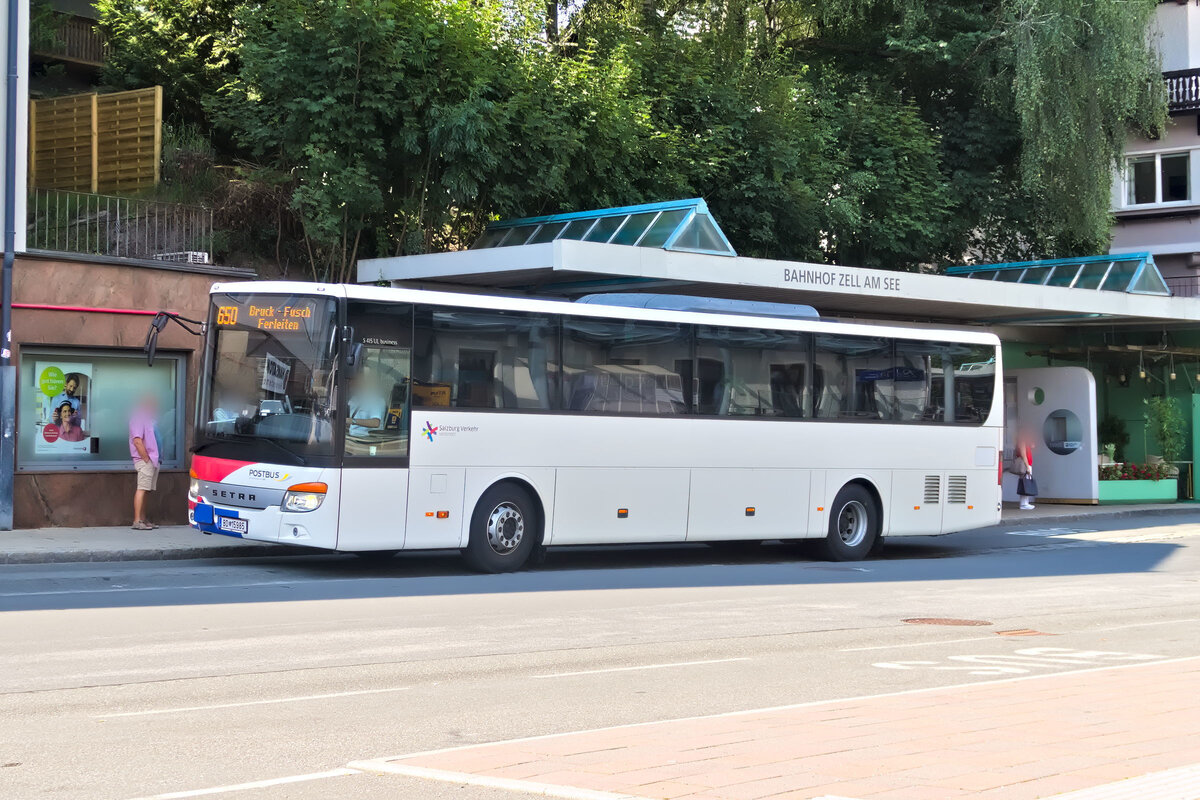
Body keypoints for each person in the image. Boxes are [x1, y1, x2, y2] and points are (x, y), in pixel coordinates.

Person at [129, 393, 161, 530]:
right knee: (142, 489)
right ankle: (137, 521)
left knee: (146, 490)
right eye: (151, 404)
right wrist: (146, 458)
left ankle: (143, 519)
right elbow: (137, 440)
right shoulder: (138, 418)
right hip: (145, 461)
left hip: (153, 460)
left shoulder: (149, 419)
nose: (153, 407)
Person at [347, 369, 386, 438]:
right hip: (352, 438)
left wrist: (353, 421)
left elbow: (375, 423)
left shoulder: (376, 399)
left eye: (354, 380)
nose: (351, 383)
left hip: (368, 440)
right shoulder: (353, 399)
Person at [1011, 444, 1036, 510]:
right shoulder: (1022, 440)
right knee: (1025, 484)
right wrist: (1027, 466)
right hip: (1025, 465)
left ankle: (1025, 503)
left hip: (1027, 464)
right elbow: (1023, 454)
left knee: (1026, 483)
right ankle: (1023, 504)